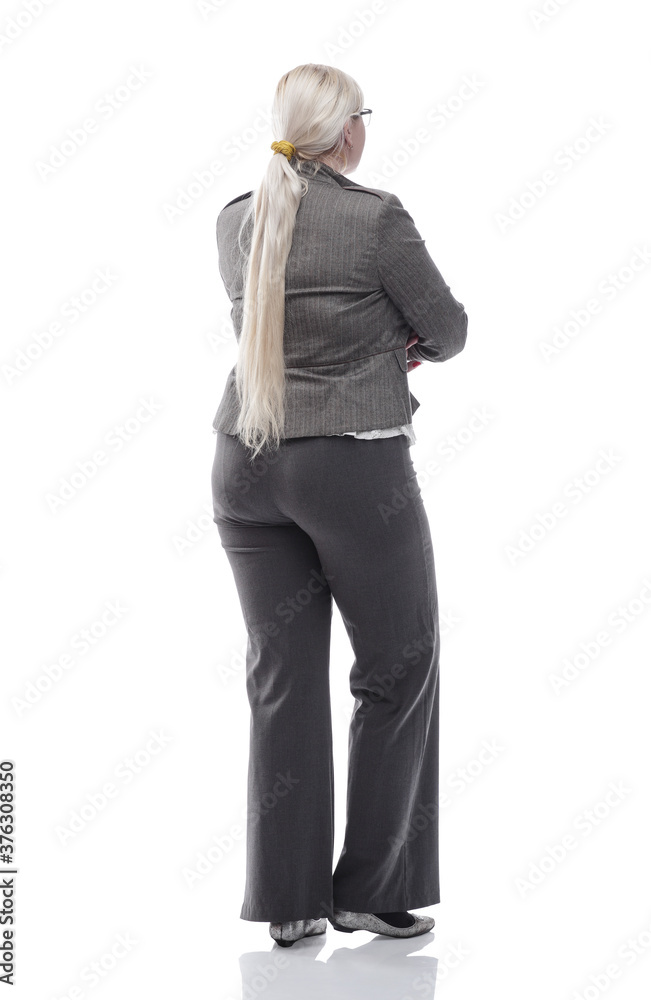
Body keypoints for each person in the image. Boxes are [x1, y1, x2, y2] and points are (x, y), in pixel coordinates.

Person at [210, 63, 468, 947]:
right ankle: (371, 890)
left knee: (280, 679)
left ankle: (289, 903)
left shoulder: (235, 218)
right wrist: (394, 340)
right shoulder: (375, 218)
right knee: (398, 668)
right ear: (348, 130)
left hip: (244, 467)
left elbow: (269, 324)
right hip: (349, 471)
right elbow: (448, 330)